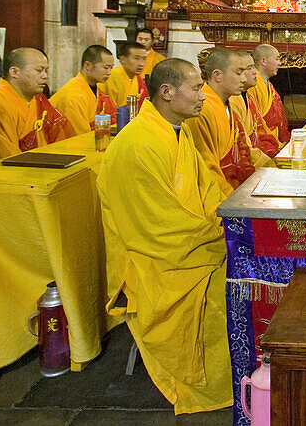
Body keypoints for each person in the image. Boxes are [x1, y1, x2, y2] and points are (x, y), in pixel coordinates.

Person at [96, 58, 233, 414]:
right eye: (196, 88)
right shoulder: (137, 144)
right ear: (167, 92)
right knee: (225, 289)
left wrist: (223, 223)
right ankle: (206, 384)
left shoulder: (178, 129)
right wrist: (215, 236)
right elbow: (153, 224)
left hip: (194, 238)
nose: (203, 96)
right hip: (158, 258)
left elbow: (206, 189)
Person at [0, 48, 71, 159]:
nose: (45, 76)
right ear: (14, 72)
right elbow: (8, 159)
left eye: (46, 70)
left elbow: (59, 134)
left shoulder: (36, 100)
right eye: (39, 70)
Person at [187, 48, 261, 188]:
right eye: (239, 73)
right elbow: (206, 168)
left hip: (235, 185)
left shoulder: (228, 104)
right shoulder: (201, 110)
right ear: (217, 75)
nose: (244, 79)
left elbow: (243, 149)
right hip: (220, 192)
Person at [50, 45, 118, 137]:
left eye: (111, 68)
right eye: (106, 67)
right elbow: (80, 135)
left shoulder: (96, 91)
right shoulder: (72, 96)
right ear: (88, 65)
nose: (109, 72)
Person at [247, 44, 290, 157]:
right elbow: (255, 122)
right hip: (263, 142)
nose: (280, 63)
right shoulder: (252, 85)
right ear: (263, 61)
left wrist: (282, 138)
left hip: (273, 139)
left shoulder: (268, 85)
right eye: (277, 59)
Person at [100, 42, 150, 108]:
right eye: (136, 58)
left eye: (144, 59)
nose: (141, 64)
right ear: (123, 59)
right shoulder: (110, 76)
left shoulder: (138, 79)